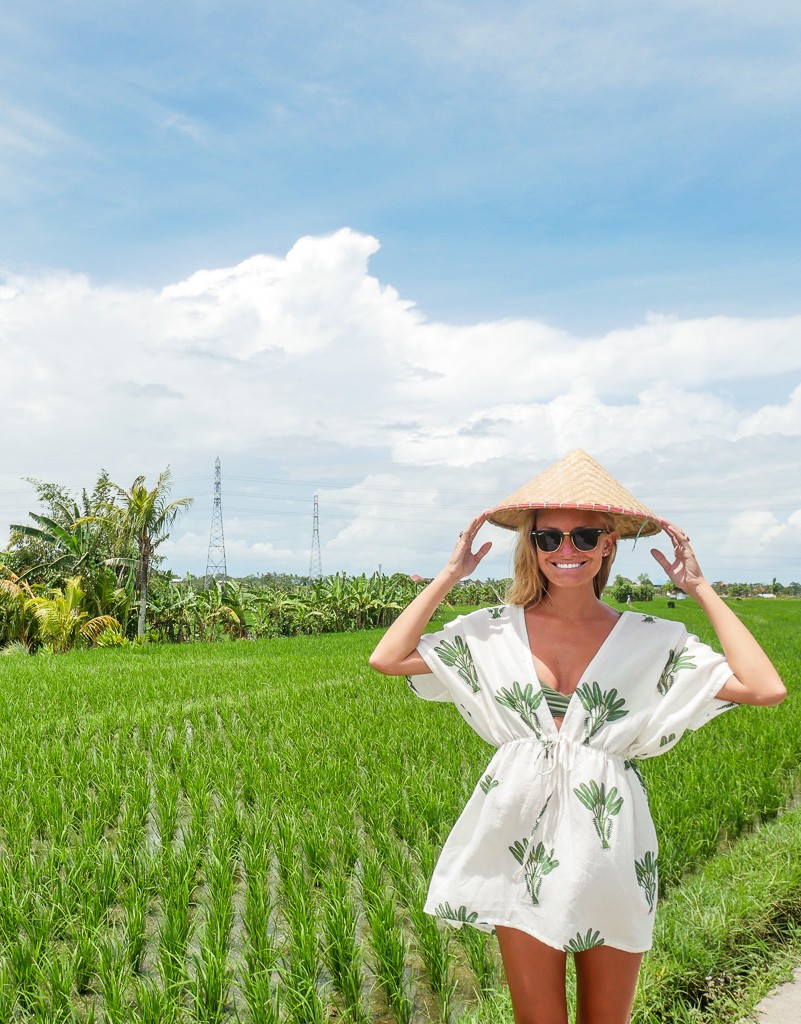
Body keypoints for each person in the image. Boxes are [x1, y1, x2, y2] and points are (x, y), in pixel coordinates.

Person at [369, 449, 785, 1024]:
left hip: (609, 841)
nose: (567, 551)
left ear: (607, 544)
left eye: (585, 537)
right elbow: (387, 658)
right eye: (550, 539)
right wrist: (450, 575)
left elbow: (764, 687)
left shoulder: (649, 639)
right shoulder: (492, 632)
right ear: (532, 545)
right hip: (521, 842)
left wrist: (699, 588)